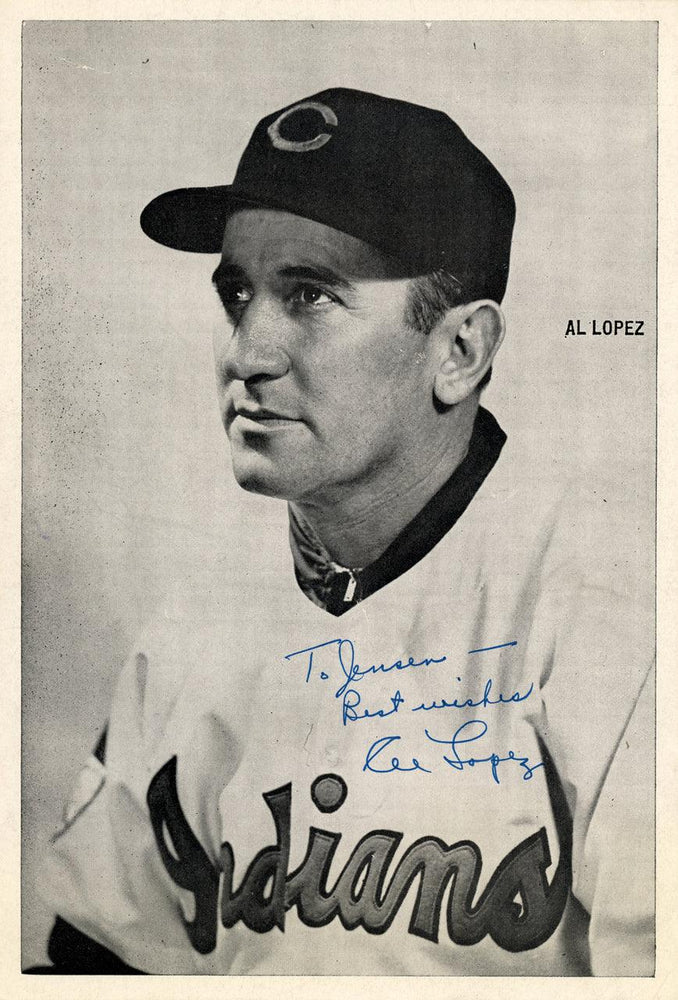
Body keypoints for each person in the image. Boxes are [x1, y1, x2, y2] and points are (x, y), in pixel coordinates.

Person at [33, 88, 654, 976]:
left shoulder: (612, 610)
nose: (247, 354)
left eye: (310, 296)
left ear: (461, 352)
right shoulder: (194, 627)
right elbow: (101, 961)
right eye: (238, 295)